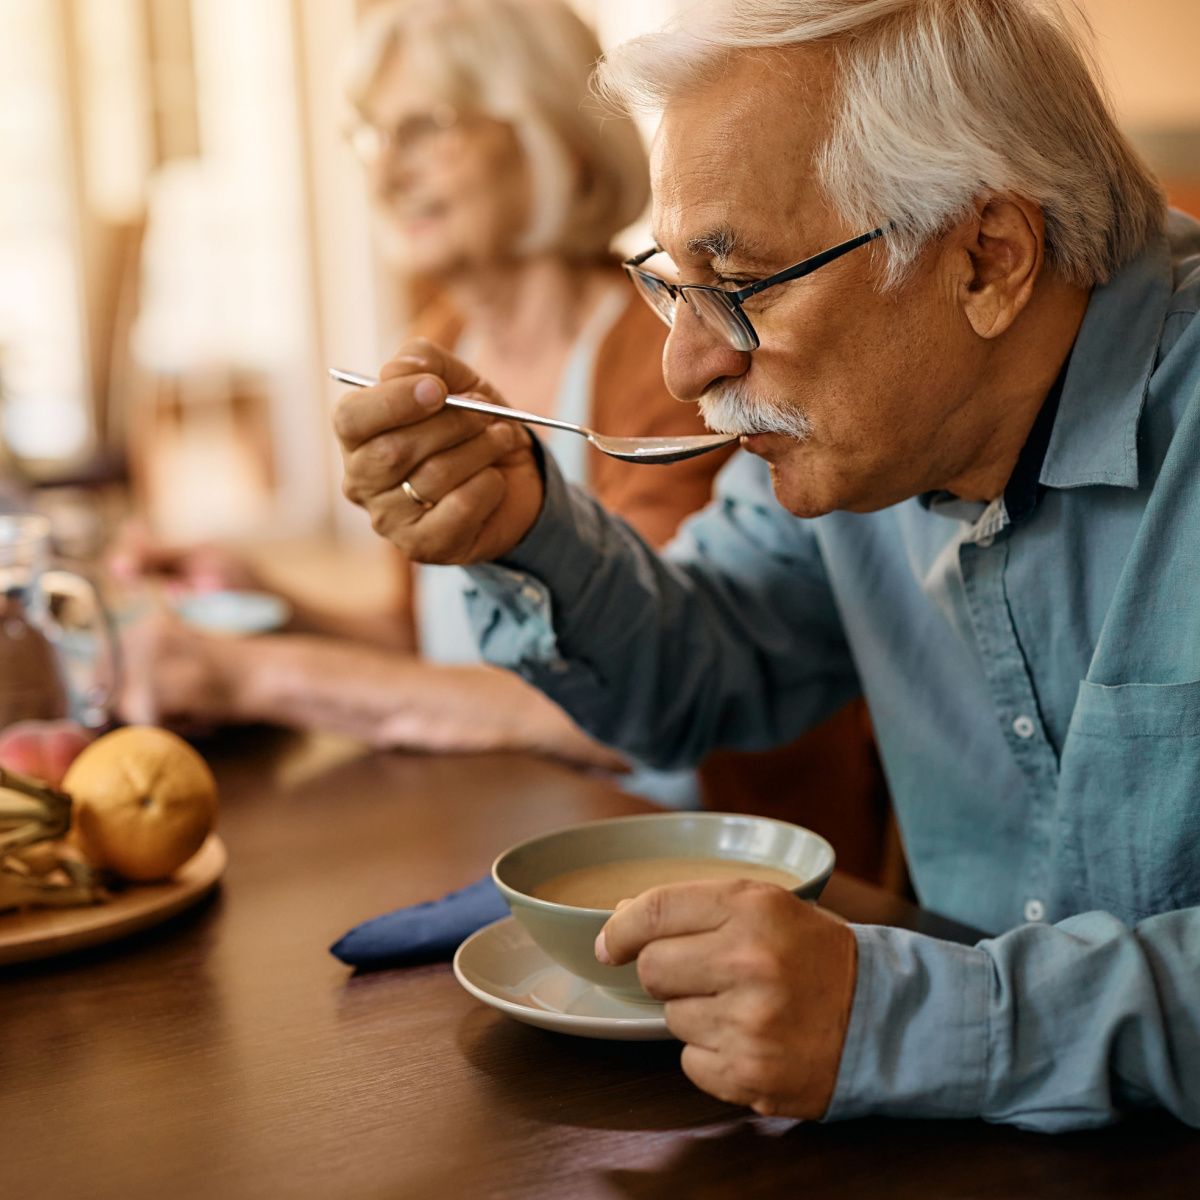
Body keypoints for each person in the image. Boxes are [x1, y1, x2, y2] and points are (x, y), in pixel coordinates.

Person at [332, 0, 1200, 1131]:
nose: (689, 362)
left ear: (989, 258)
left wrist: (914, 1016)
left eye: (740, 286)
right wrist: (521, 526)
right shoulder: (858, 446)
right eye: (674, 280)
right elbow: (701, 668)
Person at [112, 0, 732, 782]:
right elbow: (435, 645)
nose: (383, 174)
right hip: (492, 828)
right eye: (372, 135)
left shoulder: (670, 352)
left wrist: (254, 673)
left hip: (670, 849)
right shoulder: (439, 342)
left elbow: (625, 698)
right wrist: (271, 602)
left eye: (425, 128)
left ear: (547, 130)